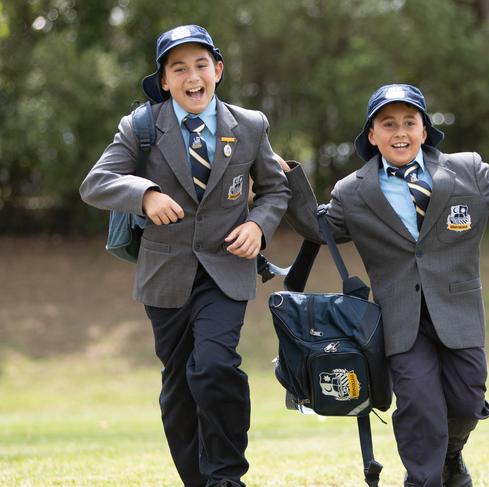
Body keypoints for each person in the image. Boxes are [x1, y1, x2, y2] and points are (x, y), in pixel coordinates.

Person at [277, 83, 489, 487]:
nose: (399, 131)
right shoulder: (354, 191)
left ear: (424, 130)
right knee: (419, 404)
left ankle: (450, 456)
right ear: (372, 135)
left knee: (468, 400)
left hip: (458, 311)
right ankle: (423, 478)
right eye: (388, 124)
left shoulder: (466, 170)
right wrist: (291, 178)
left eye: (409, 122)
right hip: (401, 320)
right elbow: (317, 229)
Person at [79, 24, 290, 487]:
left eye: (200, 65)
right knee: (179, 386)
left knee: (214, 366)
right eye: (179, 68)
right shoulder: (141, 126)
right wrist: (145, 193)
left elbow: (276, 190)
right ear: (165, 80)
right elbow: (95, 184)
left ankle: (227, 477)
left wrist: (258, 224)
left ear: (217, 70)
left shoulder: (251, 125)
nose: (192, 76)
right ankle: (198, 480)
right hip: (165, 275)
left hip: (226, 271)